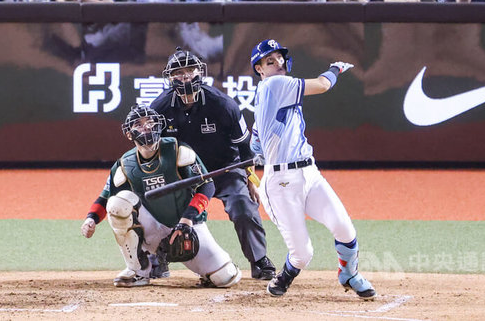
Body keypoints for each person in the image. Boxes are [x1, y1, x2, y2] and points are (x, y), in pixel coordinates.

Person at [248, 39, 376, 299]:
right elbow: (323, 84)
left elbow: (255, 141)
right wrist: (336, 69)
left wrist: (259, 150)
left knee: (344, 228)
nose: (278, 63)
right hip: (281, 182)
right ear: (259, 69)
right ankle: (285, 276)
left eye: (279, 57)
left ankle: (349, 274)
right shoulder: (276, 84)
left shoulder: (266, 92)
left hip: (309, 172)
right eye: (270, 61)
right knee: (303, 254)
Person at [80, 105, 242, 288]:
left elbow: (207, 186)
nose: (146, 127)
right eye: (138, 124)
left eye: (150, 122)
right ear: (129, 134)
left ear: (159, 125)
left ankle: (203, 268)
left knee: (225, 277)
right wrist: (91, 219)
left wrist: (187, 219)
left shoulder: (178, 149)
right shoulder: (124, 164)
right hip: (153, 227)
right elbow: (105, 198)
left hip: (187, 226)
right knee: (118, 203)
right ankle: (138, 270)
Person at [150, 49, 276, 280]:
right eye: (178, 72)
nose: (185, 76)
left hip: (225, 169)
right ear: (169, 77)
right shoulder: (159, 108)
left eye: (190, 70)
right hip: (185, 175)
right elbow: (152, 151)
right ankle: (159, 257)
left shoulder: (223, 105)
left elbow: (244, 147)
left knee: (242, 205)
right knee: (160, 205)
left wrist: (250, 179)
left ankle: (259, 260)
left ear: (200, 72)